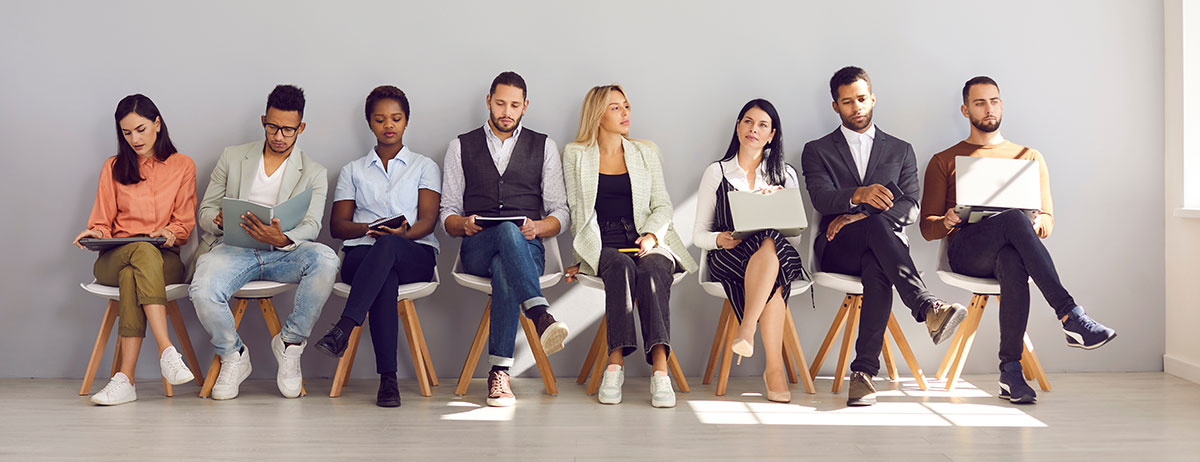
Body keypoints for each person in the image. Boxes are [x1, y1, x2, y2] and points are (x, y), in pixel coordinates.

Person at [919, 76, 1117, 404]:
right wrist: (947, 220)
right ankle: (1070, 316)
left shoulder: (1029, 157)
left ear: (1002, 105)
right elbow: (927, 228)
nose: (989, 108)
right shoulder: (944, 159)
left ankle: (1010, 373)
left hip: (1010, 251)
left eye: (994, 101)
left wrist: (1038, 223)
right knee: (1012, 218)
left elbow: (1047, 220)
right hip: (967, 251)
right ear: (965, 110)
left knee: (1012, 258)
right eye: (980, 103)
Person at [800, 66, 967, 407]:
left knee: (877, 264)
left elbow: (910, 208)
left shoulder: (901, 150)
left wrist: (859, 215)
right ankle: (927, 307)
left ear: (873, 99)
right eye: (847, 102)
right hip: (837, 247)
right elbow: (820, 198)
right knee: (878, 232)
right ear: (835, 106)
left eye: (862, 99)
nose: (856, 107)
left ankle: (862, 374)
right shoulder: (816, 150)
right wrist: (859, 195)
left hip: (881, 249)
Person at [189, 84, 339, 400]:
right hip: (233, 249)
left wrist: (282, 237)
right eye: (272, 127)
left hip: (283, 253)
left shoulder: (314, 172)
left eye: (288, 129)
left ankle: (289, 344)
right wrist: (218, 220)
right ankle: (233, 355)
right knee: (202, 289)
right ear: (263, 121)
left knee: (326, 259)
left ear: (301, 127)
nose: (279, 136)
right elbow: (205, 211)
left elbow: (312, 225)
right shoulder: (232, 157)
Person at [440, 71, 571, 407]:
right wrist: (463, 223)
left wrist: (537, 228)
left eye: (514, 105)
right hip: (477, 249)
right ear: (488, 101)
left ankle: (499, 375)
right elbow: (447, 214)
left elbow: (560, 212)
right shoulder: (460, 146)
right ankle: (540, 314)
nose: (506, 112)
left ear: (525, 106)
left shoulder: (544, 146)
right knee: (504, 237)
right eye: (500, 103)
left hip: (527, 249)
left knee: (505, 266)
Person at [561, 85, 697, 408]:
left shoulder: (645, 152)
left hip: (646, 238)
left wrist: (652, 236)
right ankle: (615, 365)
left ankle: (660, 371)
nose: (625, 113)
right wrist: (585, 259)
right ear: (597, 115)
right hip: (604, 240)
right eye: (616, 108)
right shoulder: (575, 155)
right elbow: (579, 215)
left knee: (652, 271)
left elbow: (663, 205)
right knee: (620, 268)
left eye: (626, 106)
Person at [313, 86, 441, 408]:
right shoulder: (352, 170)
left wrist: (401, 235)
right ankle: (388, 381)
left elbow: (428, 220)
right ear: (370, 123)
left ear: (406, 120)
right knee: (384, 271)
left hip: (414, 253)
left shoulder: (424, 166)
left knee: (389, 248)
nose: (388, 125)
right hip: (362, 255)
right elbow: (338, 226)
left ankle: (344, 328)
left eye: (396, 118)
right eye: (380, 119)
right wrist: (370, 228)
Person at [74, 94, 197, 405]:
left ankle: (124, 380)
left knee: (134, 273)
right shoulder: (113, 167)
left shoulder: (182, 166)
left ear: (157, 124)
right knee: (139, 253)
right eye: (127, 133)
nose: (135, 139)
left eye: (140, 129)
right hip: (113, 259)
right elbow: (102, 222)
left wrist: (169, 232)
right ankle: (166, 350)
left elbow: (184, 223)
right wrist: (94, 233)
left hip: (164, 259)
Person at [692, 98, 806, 403]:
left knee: (770, 242)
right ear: (738, 127)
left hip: (777, 256)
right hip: (730, 257)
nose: (754, 129)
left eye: (762, 125)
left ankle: (746, 329)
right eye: (748, 122)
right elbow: (699, 234)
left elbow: (794, 240)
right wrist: (719, 240)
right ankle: (774, 370)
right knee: (775, 278)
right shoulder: (716, 172)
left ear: (772, 135)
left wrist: (776, 206)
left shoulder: (785, 175)